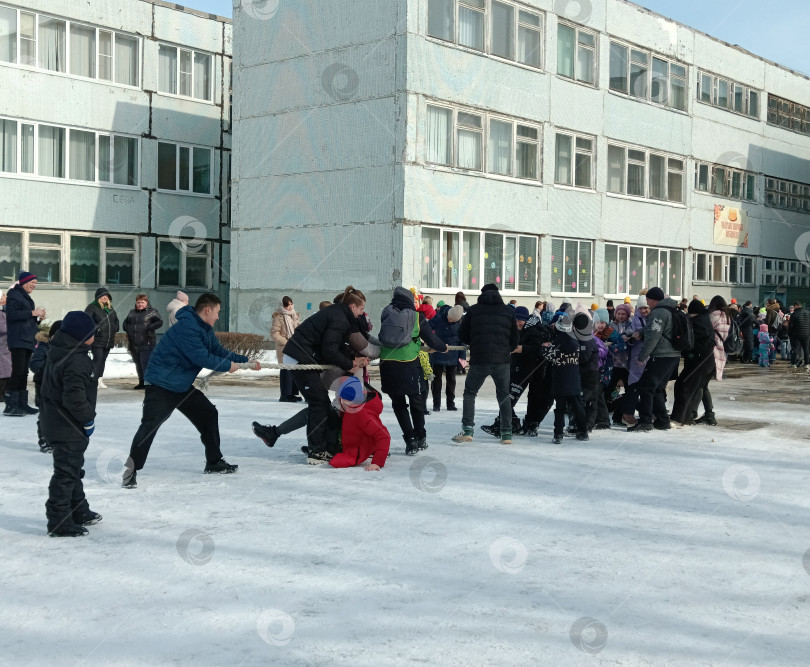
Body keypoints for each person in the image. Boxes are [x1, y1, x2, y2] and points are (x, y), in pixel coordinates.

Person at [123, 293, 259, 488]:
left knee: (208, 413)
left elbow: (217, 351)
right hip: (161, 385)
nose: (218, 317)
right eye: (218, 312)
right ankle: (130, 471)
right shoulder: (188, 328)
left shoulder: (204, 328)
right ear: (207, 310)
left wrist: (246, 362)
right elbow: (201, 357)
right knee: (150, 426)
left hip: (181, 385)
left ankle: (213, 462)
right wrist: (227, 366)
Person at [282, 286, 369, 464]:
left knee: (321, 402)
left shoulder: (339, 315)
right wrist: (349, 363)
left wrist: (352, 358)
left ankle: (324, 447)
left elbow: (336, 345)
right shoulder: (340, 318)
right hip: (299, 358)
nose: (362, 313)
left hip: (305, 357)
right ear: (352, 306)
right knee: (319, 402)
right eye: (361, 309)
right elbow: (330, 350)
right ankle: (316, 451)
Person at [42, 311, 101, 537]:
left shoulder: (60, 351)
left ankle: (79, 510)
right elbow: (74, 398)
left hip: (57, 421)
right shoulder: (76, 359)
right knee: (66, 474)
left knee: (73, 469)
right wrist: (87, 419)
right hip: (68, 425)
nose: (95, 335)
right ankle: (59, 521)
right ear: (81, 335)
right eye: (92, 332)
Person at [379, 286, 448, 455]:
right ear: (411, 300)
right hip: (408, 363)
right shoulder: (417, 317)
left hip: (387, 363)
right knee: (416, 401)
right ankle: (420, 437)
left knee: (398, 404)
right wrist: (443, 347)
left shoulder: (386, 312)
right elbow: (431, 340)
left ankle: (409, 440)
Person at [452, 283, 519, 445]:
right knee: (504, 396)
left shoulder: (473, 311)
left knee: (470, 392)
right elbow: (515, 338)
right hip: (502, 360)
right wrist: (506, 350)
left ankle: (468, 429)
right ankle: (506, 433)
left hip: (479, 358)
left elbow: (462, 334)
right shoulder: (508, 311)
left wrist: (474, 342)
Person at [628, 287, 681, 432]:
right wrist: (641, 332)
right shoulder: (670, 309)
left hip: (662, 356)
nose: (648, 304)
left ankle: (646, 421)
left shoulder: (658, 312)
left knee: (645, 387)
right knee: (657, 388)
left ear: (652, 299)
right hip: (673, 355)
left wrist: (642, 356)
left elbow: (653, 336)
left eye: (648, 301)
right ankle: (663, 421)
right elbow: (656, 330)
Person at [4, 271, 45, 416]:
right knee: (18, 371)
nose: (34, 285)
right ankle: (10, 405)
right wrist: (33, 313)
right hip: (18, 339)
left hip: (27, 339)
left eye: (35, 283)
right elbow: (12, 315)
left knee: (24, 372)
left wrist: (38, 318)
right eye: (32, 282)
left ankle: (22, 403)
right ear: (24, 282)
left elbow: (26, 318)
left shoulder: (26, 298)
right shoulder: (14, 295)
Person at [329, 377, 390, 471]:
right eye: (342, 399)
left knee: (336, 462)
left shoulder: (362, 414)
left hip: (357, 450)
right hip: (349, 441)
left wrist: (377, 462)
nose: (344, 403)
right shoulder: (350, 408)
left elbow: (384, 436)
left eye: (348, 400)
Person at [670, 300, 714, 425]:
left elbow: (697, 342)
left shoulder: (698, 322)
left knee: (685, 386)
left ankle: (681, 417)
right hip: (705, 361)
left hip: (700, 360)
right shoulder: (705, 319)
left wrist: (687, 350)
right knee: (690, 386)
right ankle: (686, 415)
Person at [546, 312, 587, 444]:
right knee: (578, 407)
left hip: (560, 380)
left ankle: (558, 434)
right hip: (574, 379)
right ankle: (583, 431)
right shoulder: (576, 341)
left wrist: (543, 349)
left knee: (560, 409)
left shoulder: (556, 342)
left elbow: (548, 356)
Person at [694, 296, 732, 425]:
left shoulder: (713, 316)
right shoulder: (727, 318)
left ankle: (696, 412)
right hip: (721, 353)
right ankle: (709, 414)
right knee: (703, 385)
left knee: (700, 384)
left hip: (711, 352)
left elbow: (705, 331)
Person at [29, 320, 62, 453]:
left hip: (58, 388)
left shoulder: (66, 348)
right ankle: (44, 440)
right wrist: (47, 371)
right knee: (45, 415)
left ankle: (56, 439)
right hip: (43, 386)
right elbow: (34, 364)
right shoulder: (43, 347)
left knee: (58, 416)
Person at [123, 294, 163, 390]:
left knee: (145, 363)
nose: (140, 304)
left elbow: (160, 322)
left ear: (146, 303)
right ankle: (141, 382)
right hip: (134, 343)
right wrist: (127, 328)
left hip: (147, 342)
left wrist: (150, 327)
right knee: (138, 364)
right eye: (138, 302)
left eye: (142, 302)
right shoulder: (132, 312)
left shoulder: (152, 312)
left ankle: (148, 383)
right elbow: (125, 323)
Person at [621, 295, 649, 426]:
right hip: (637, 357)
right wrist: (630, 336)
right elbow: (629, 332)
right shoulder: (635, 319)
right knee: (634, 386)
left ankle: (648, 412)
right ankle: (628, 413)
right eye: (641, 308)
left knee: (647, 386)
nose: (643, 311)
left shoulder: (653, 318)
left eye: (646, 308)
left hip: (649, 356)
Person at [429, 304, 464, 412]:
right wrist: (431, 342)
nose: (450, 320)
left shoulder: (460, 323)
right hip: (438, 352)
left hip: (453, 354)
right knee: (436, 380)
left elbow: (462, 341)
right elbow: (427, 328)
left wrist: (461, 360)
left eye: (453, 320)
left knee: (451, 380)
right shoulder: (439, 317)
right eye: (450, 318)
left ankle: (450, 404)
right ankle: (436, 404)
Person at [84, 286, 120, 388]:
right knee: (97, 359)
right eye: (102, 296)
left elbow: (116, 320)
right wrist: (97, 328)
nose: (105, 297)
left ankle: (100, 379)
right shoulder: (92, 307)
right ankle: (93, 379)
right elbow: (87, 320)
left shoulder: (109, 308)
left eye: (106, 296)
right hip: (97, 339)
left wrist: (116, 327)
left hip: (108, 339)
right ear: (98, 297)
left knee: (103, 360)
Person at [271, 296, 302, 403]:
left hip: (295, 346)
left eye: (290, 304)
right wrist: (286, 342)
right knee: (286, 370)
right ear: (282, 306)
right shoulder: (278, 317)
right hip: (284, 347)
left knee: (294, 370)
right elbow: (274, 333)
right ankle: (285, 395)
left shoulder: (295, 315)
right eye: (286, 305)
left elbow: (298, 329)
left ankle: (293, 393)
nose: (289, 307)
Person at [788, 301, 810, 368]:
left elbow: (791, 326)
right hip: (806, 334)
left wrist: (790, 334)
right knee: (806, 349)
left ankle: (793, 363)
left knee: (795, 349)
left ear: (795, 306)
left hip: (796, 334)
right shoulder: (808, 313)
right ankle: (807, 364)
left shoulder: (794, 314)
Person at [0, 289, 11, 413]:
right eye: (2, 295)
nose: (5, 296)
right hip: (2, 348)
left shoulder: (4, 311)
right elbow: (3, 328)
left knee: (7, 370)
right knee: (4, 371)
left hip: (5, 347)